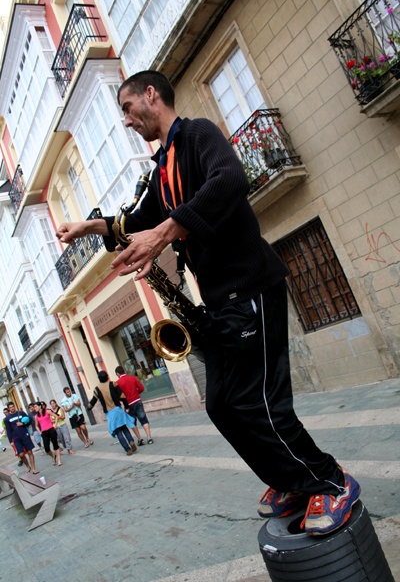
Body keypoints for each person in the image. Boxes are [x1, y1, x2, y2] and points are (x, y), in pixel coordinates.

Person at [56, 70, 360, 536]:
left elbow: (230, 178)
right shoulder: (161, 170)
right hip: (219, 305)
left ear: (151, 95)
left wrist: (166, 231)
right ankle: (289, 480)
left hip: (251, 287)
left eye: (125, 107)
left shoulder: (197, 134)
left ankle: (331, 482)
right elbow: (133, 221)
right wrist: (89, 228)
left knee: (261, 403)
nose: (125, 120)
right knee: (220, 404)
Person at [87, 371, 137, 456]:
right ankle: (131, 441)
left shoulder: (97, 389)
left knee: (118, 432)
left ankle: (127, 449)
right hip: (118, 409)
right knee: (124, 428)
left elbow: (93, 401)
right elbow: (122, 395)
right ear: (107, 377)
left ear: (99, 379)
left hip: (110, 413)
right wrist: (126, 406)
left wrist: (89, 407)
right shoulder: (113, 384)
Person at [114, 366, 153, 445]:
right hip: (137, 401)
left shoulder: (117, 383)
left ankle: (139, 438)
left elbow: (118, 396)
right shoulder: (133, 378)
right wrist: (136, 394)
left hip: (128, 404)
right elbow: (141, 388)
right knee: (143, 419)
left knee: (132, 422)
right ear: (124, 371)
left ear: (117, 374)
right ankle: (149, 437)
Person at [4, 402, 39, 474]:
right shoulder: (7, 419)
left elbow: (29, 421)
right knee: (21, 454)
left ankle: (33, 468)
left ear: (14, 406)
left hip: (25, 435)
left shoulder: (21, 413)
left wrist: (22, 423)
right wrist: (10, 441)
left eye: (13, 406)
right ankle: (27, 466)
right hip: (16, 438)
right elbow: (8, 430)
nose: (12, 408)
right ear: (8, 409)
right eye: (10, 407)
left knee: (30, 452)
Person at [33, 402, 62, 466]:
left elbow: (56, 416)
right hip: (44, 432)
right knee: (47, 448)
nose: (35, 408)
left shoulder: (47, 411)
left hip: (51, 429)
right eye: (34, 407)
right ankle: (53, 456)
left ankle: (59, 460)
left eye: (36, 406)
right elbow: (36, 426)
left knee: (55, 445)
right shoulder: (36, 416)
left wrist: (55, 425)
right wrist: (40, 433)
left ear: (40, 406)